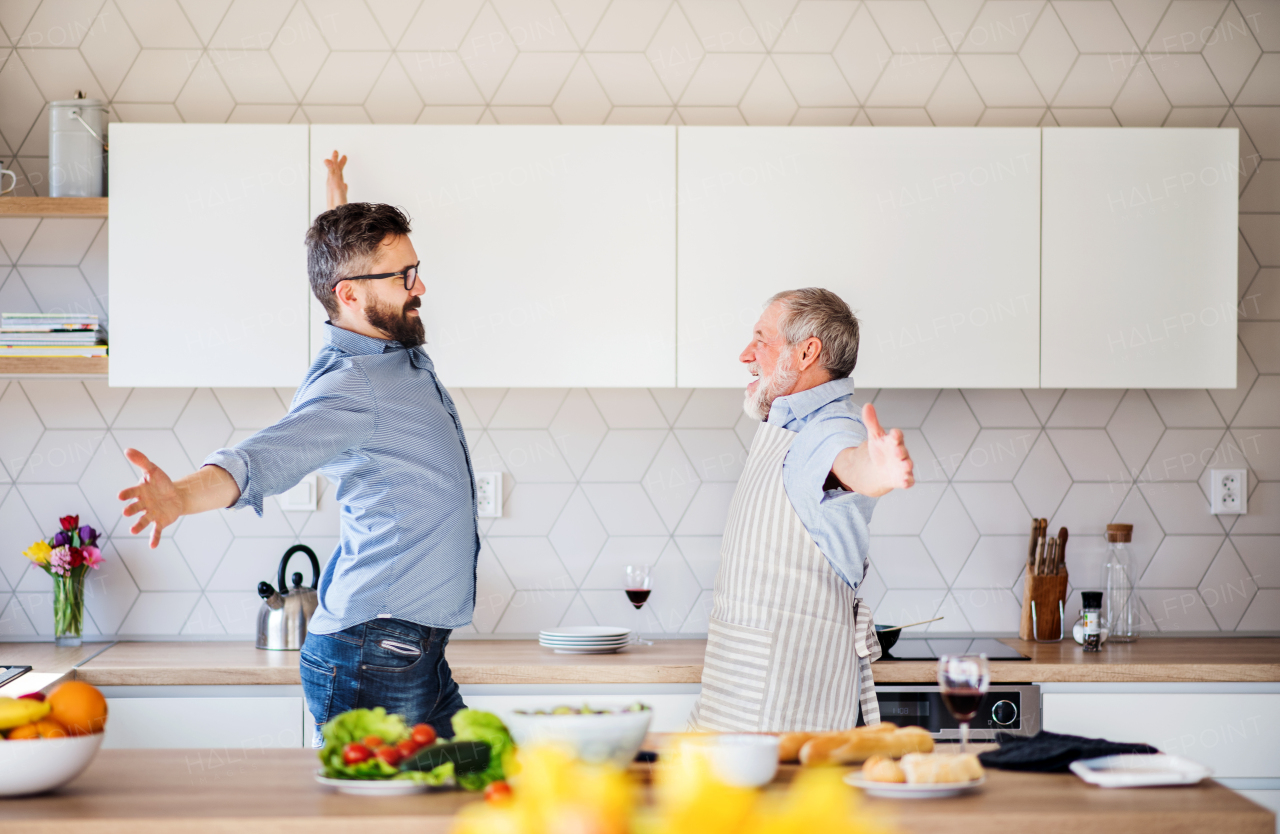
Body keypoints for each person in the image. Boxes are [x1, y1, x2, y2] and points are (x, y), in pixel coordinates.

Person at [117, 151, 477, 746]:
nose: (421, 288)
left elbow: (348, 264)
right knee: (389, 814)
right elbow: (259, 459)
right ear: (351, 297)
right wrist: (179, 497)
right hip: (374, 661)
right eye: (404, 277)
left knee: (478, 779)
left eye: (415, 269)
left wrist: (337, 196)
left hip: (411, 651)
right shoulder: (350, 390)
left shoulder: (381, 340)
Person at [689, 288, 914, 733]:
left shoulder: (828, 430)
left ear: (808, 351)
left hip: (786, 708)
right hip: (736, 691)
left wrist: (878, 470)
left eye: (761, 340)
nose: (745, 355)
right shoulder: (788, 426)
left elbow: (848, 464)